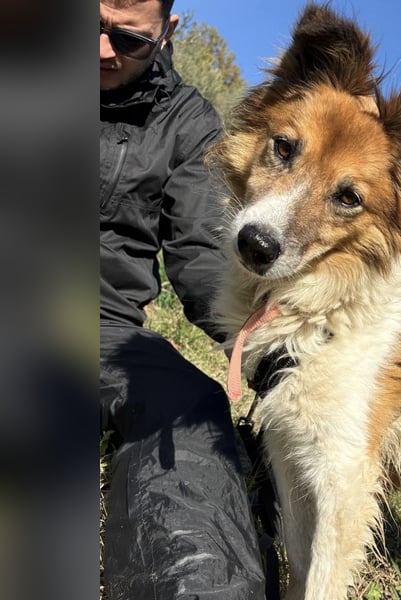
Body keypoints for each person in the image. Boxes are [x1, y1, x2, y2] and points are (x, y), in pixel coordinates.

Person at [100, 1, 271, 598]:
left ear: (168, 32)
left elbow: (199, 253)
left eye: (128, 39)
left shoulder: (189, 122)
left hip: (100, 328)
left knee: (190, 404)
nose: (102, 51)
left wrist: (260, 346)